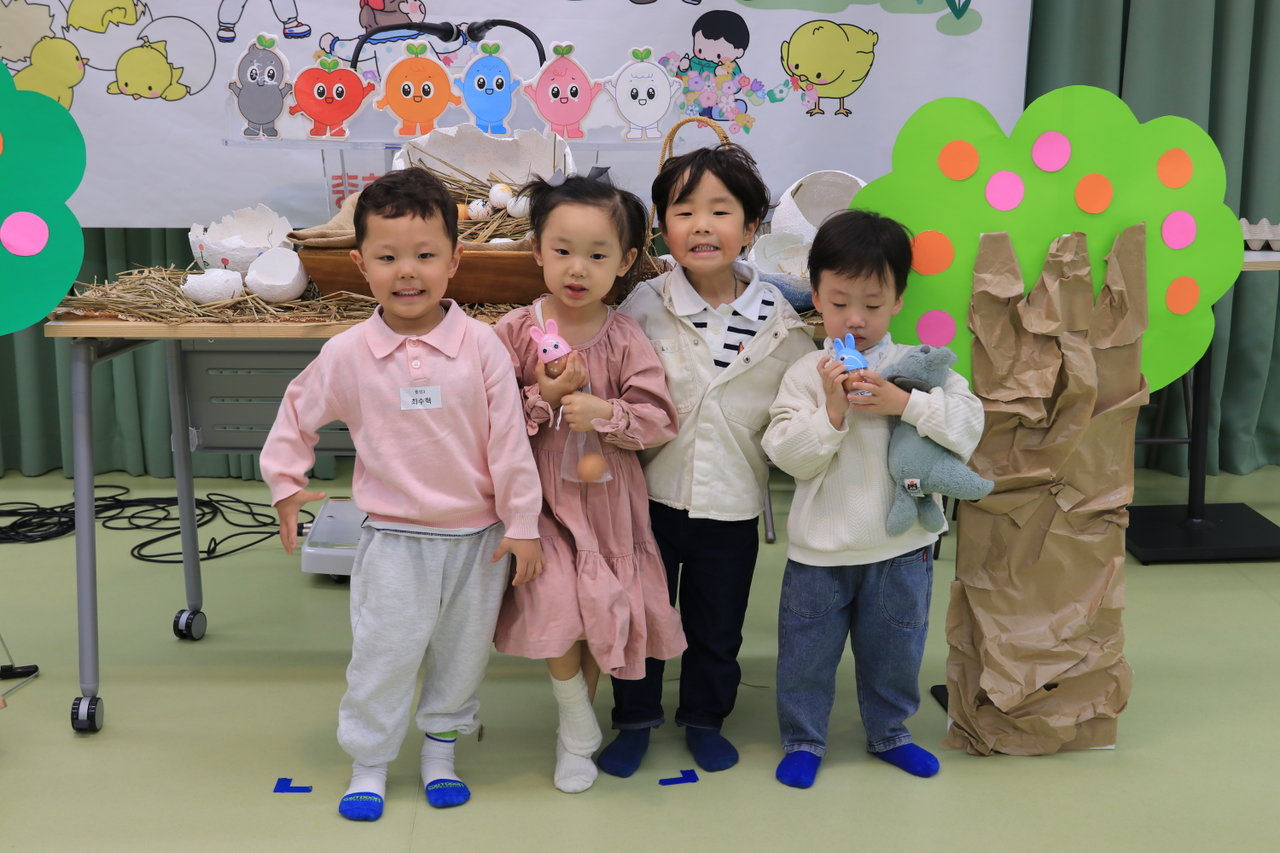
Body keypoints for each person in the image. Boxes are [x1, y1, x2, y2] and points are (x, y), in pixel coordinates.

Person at [260, 168, 544, 821]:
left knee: (461, 658)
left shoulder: (482, 346)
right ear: (361, 264)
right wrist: (285, 484)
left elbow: (509, 442)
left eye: (424, 255)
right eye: (387, 258)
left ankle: (441, 752)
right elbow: (297, 412)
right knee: (383, 657)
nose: (407, 272)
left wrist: (522, 522)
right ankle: (369, 762)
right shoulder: (349, 353)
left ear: (455, 259)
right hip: (392, 540)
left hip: (478, 542)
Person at [602, 143, 816, 776]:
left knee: (718, 626)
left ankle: (704, 718)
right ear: (662, 228)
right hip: (649, 497)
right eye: (683, 210)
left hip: (732, 503)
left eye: (720, 211)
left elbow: (795, 403)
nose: (701, 225)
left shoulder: (779, 321)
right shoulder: (641, 308)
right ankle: (635, 719)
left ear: (750, 229)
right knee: (641, 616)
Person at [761, 209, 985, 788]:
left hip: (901, 546)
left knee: (896, 651)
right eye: (839, 302)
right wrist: (832, 411)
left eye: (873, 303)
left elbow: (968, 426)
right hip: (819, 551)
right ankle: (804, 739)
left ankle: (891, 733)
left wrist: (904, 404)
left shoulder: (918, 364)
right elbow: (786, 456)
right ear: (816, 296)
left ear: (898, 301)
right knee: (805, 657)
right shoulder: (806, 373)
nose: (855, 318)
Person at [492, 174, 686, 794]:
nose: (578, 268)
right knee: (555, 602)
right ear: (537, 250)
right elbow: (487, 419)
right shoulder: (513, 331)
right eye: (563, 250)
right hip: (540, 501)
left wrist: (605, 412)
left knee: (597, 611)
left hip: (606, 505)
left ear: (625, 262)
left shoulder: (625, 336)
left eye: (598, 255)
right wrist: (544, 398)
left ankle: (574, 738)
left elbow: (659, 418)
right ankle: (577, 721)